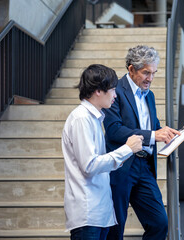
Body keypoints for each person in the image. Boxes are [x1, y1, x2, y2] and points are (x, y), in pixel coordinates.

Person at [103, 45, 184, 240]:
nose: (150, 78)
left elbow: (155, 128)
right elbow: (114, 130)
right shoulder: (114, 91)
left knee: (160, 224)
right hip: (122, 166)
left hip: (145, 168)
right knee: (115, 229)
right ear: (131, 69)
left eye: (154, 73)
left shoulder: (149, 95)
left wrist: (178, 132)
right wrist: (152, 135)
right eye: (146, 73)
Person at [62, 64, 143, 240]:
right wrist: (127, 149)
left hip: (99, 212)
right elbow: (89, 166)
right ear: (98, 90)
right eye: (113, 90)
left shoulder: (94, 117)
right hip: (88, 214)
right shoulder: (81, 118)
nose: (115, 95)